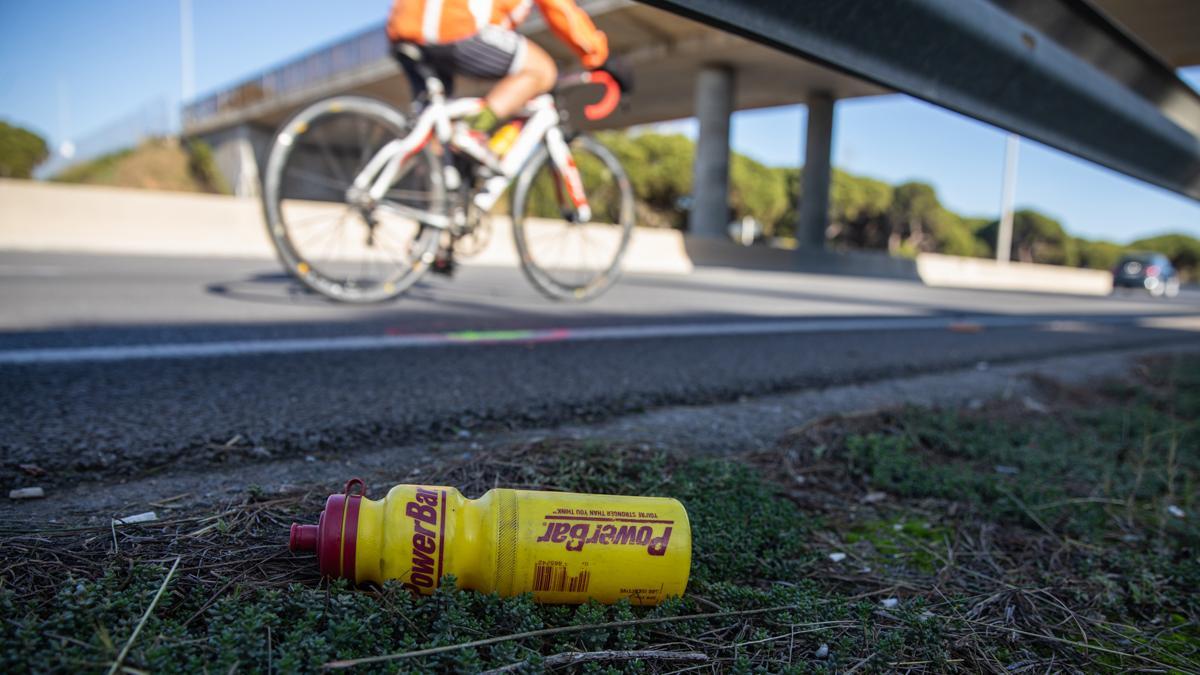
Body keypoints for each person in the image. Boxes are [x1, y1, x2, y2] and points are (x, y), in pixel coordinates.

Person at [386, 0, 630, 135]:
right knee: (542, 70)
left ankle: (435, 203)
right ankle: (471, 133)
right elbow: (560, 10)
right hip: (454, 24)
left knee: (435, 128)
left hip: (403, 28)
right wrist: (599, 56)